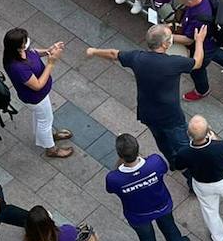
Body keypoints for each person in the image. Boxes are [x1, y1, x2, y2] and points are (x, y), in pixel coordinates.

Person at [85, 24, 206, 164]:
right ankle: (189, 167)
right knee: (182, 144)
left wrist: (94, 51)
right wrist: (199, 41)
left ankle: (173, 162)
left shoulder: (137, 58)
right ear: (165, 44)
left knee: (162, 142)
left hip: (147, 113)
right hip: (171, 116)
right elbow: (197, 62)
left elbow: (114, 54)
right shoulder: (173, 63)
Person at [105, 132, 192, 241]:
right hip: (161, 205)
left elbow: (110, 189)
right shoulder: (155, 162)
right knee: (170, 228)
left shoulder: (114, 178)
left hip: (138, 215)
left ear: (120, 155)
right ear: (138, 149)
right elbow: (164, 169)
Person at [1, 28, 74, 159]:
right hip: (36, 98)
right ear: (17, 47)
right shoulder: (18, 67)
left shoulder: (18, 52)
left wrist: (48, 51)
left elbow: (33, 52)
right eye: (24, 42)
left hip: (39, 96)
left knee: (42, 118)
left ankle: (47, 137)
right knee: (45, 121)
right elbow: (37, 86)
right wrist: (51, 63)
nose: (27, 44)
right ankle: (51, 149)